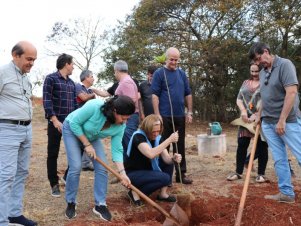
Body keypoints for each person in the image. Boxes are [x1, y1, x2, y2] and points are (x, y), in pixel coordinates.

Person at [62, 95, 135, 221]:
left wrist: (122, 173)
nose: (125, 121)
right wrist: (86, 144)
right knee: (76, 167)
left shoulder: (121, 126)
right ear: (115, 111)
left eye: (128, 119)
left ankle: (100, 204)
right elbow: (75, 123)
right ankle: (71, 202)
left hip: (92, 137)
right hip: (72, 129)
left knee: (102, 168)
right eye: (123, 118)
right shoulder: (94, 106)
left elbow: (117, 149)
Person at [249, 42, 301, 203]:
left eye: (259, 59)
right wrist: (259, 114)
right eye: (256, 62)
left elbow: (291, 93)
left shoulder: (285, 65)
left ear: (266, 51)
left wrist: (282, 120)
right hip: (268, 123)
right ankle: (286, 193)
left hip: (288, 122)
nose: (258, 64)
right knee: (279, 159)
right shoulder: (264, 72)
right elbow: (265, 96)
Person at [0, 41, 38, 226]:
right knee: (6, 175)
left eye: (34, 60)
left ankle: (14, 213)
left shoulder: (25, 77)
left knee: (21, 172)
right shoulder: (2, 73)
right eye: (28, 59)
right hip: (7, 129)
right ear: (15, 55)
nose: (32, 63)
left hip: (26, 129)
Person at [151, 47, 193, 184]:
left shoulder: (182, 74)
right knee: (164, 145)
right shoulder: (159, 73)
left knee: (179, 145)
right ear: (166, 58)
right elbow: (155, 95)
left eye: (176, 60)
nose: (174, 62)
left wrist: (190, 112)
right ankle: (164, 177)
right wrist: (157, 115)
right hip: (164, 116)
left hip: (180, 115)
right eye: (171, 59)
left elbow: (188, 93)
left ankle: (181, 174)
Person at [124, 114, 181, 206]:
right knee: (165, 178)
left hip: (148, 171)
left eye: (158, 131)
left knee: (170, 164)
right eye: (153, 131)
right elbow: (150, 154)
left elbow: (167, 159)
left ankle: (162, 194)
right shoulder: (138, 136)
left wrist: (173, 159)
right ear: (146, 129)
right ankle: (135, 193)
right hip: (133, 173)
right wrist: (169, 140)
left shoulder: (158, 138)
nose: (155, 134)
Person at [43, 53, 78, 198]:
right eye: (72, 64)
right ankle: (54, 184)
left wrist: (77, 121)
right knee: (53, 153)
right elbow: (47, 100)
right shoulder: (51, 79)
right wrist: (54, 119)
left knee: (77, 152)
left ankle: (67, 177)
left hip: (70, 124)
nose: (73, 67)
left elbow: (75, 105)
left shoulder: (71, 84)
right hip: (55, 122)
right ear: (66, 64)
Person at [226, 63, 268, 183]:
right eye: (252, 71)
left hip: (261, 118)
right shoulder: (245, 83)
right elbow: (239, 99)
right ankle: (238, 172)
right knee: (242, 144)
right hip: (245, 120)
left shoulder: (266, 83)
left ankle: (261, 174)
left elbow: (268, 99)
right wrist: (244, 111)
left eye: (257, 72)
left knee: (261, 146)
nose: (254, 74)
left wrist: (258, 114)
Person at [113, 60, 140, 152]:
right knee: (126, 143)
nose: (114, 74)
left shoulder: (126, 82)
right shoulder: (126, 81)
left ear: (117, 70)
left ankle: (131, 164)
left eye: (114, 72)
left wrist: (124, 119)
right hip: (129, 117)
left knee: (128, 144)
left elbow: (130, 102)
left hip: (129, 118)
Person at [75, 69, 95, 171]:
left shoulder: (90, 90)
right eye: (92, 76)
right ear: (86, 77)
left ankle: (86, 163)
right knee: (80, 143)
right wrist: (93, 94)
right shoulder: (78, 86)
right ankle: (77, 164)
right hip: (78, 120)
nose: (93, 79)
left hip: (88, 120)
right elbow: (83, 98)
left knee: (89, 139)